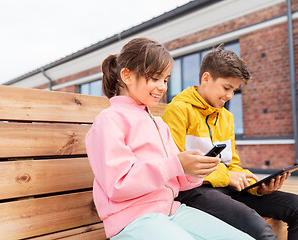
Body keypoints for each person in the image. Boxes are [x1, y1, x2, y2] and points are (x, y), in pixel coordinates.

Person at [85, 38, 253, 240]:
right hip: (132, 220)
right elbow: (117, 185)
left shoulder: (158, 123)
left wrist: (193, 170)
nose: (162, 87)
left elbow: (179, 181)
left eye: (165, 80)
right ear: (127, 76)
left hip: (171, 211)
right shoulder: (109, 120)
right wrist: (174, 165)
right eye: (155, 78)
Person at [162, 46, 298, 240]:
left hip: (229, 188)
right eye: (226, 88)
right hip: (194, 191)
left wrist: (257, 187)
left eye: (234, 90)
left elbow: (233, 165)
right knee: (261, 230)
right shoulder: (178, 111)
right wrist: (227, 178)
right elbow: (176, 165)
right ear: (206, 79)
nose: (230, 96)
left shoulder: (226, 117)